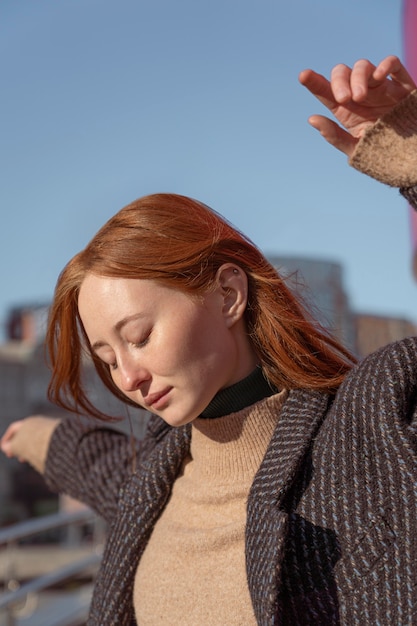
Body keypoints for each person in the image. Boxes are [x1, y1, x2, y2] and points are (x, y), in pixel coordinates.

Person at [2, 55, 417, 626]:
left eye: (140, 336)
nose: (128, 376)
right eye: (106, 358)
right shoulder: (159, 471)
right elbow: (92, 461)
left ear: (227, 294)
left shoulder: (374, 424)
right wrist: (28, 436)